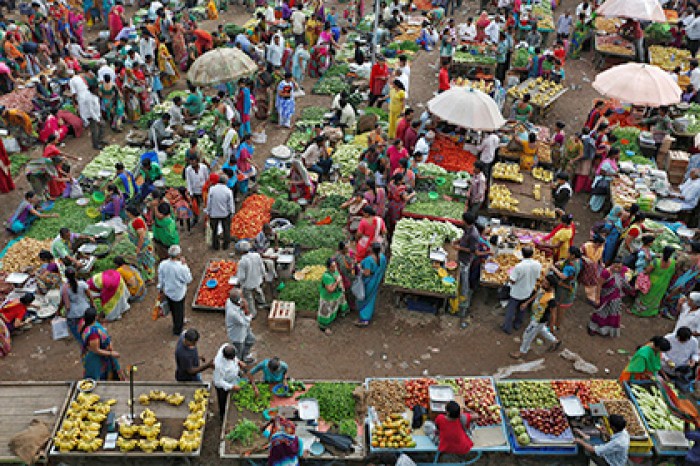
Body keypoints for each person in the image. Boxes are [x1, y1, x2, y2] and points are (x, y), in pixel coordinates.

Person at [510, 277, 561, 359]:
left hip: (539, 320)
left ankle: (522, 351)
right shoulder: (543, 288)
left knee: (527, 335)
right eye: (544, 281)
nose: (543, 283)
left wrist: (551, 326)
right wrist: (526, 303)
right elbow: (536, 295)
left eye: (546, 283)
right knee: (541, 330)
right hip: (535, 316)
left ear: (551, 286)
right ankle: (555, 341)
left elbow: (553, 314)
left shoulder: (551, 299)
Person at [502, 246, 542, 334]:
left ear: (522, 254)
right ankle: (517, 324)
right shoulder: (538, 264)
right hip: (528, 291)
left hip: (517, 292)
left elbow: (512, 281)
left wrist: (508, 278)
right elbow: (538, 277)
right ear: (532, 254)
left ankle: (507, 328)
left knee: (511, 311)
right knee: (522, 308)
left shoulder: (519, 267)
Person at [588, 260, 633, 337]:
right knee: (601, 313)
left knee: (612, 314)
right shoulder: (606, 273)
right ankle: (593, 328)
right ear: (612, 265)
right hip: (605, 297)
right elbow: (599, 285)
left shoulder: (621, 270)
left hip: (615, 298)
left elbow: (629, 271)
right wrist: (597, 298)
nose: (617, 269)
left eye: (619, 267)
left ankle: (605, 331)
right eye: (615, 266)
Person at [630, 246, 676, 317]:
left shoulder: (656, 261)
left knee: (645, 297)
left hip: (652, 282)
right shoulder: (673, 262)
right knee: (656, 297)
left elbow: (647, 271)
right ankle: (651, 312)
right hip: (663, 284)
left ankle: (638, 311)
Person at [158, 245, 193, 336]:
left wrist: (161, 289)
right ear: (179, 255)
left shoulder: (163, 264)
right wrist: (185, 265)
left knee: (173, 309)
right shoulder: (181, 267)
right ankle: (177, 330)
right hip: (178, 293)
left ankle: (180, 320)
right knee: (178, 310)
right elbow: (188, 279)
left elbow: (161, 278)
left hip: (168, 291)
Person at [80, 307, 121, 381]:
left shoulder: (86, 325)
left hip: (98, 355)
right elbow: (96, 350)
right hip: (97, 359)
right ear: (95, 317)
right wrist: (111, 353)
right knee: (100, 378)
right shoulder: (93, 334)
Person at [355, 242, 387, 327]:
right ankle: (368, 315)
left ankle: (364, 318)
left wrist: (358, 268)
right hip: (376, 280)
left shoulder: (369, 260)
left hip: (369, 282)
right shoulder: (383, 257)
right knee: (371, 298)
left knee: (365, 298)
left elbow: (367, 273)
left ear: (372, 250)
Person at [213, 343, 246, 420]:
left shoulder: (226, 346)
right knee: (223, 401)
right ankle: (223, 416)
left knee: (232, 397)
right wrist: (231, 386)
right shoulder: (219, 365)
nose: (233, 359)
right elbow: (218, 382)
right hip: (223, 386)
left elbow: (234, 358)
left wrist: (238, 361)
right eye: (232, 358)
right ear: (226, 357)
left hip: (232, 379)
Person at [318, 258, 348, 335]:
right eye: (332, 266)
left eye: (335, 266)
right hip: (327, 298)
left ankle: (333, 319)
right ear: (328, 267)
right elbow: (330, 290)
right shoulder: (326, 276)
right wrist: (337, 282)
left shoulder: (335, 271)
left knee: (332, 309)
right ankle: (324, 327)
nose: (334, 268)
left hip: (334, 296)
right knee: (326, 312)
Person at [236, 240, 267, 318]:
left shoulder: (242, 262)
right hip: (257, 279)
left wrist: (239, 282)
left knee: (248, 298)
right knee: (258, 290)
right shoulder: (256, 255)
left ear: (241, 251)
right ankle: (262, 303)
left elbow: (241, 277)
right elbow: (262, 267)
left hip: (248, 283)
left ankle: (253, 313)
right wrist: (264, 275)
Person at [126, 206, 156, 282]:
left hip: (143, 246)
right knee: (144, 262)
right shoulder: (135, 220)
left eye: (127, 212)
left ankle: (150, 278)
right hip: (141, 245)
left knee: (146, 262)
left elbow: (141, 236)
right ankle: (147, 276)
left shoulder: (137, 222)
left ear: (130, 213)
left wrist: (138, 248)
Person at [225, 288, 255, 363]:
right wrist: (246, 309)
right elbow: (245, 322)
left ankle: (245, 356)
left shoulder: (231, 302)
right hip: (238, 335)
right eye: (241, 297)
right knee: (238, 352)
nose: (243, 299)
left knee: (251, 340)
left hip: (244, 329)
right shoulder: (233, 313)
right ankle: (238, 365)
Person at [205, 175, 235, 251]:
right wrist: (232, 212)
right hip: (225, 214)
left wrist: (208, 211)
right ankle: (225, 245)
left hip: (214, 213)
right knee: (226, 229)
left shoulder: (212, 189)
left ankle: (215, 245)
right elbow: (230, 204)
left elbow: (209, 202)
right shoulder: (228, 191)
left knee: (214, 230)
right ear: (226, 181)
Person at [589, 147, 620, 213]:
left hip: (608, 180)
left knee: (600, 196)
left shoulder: (613, 160)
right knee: (599, 195)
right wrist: (612, 174)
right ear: (613, 154)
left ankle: (595, 207)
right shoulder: (607, 162)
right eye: (618, 154)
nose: (618, 155)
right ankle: (594, 208)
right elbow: (602, 172)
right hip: (604, 180)